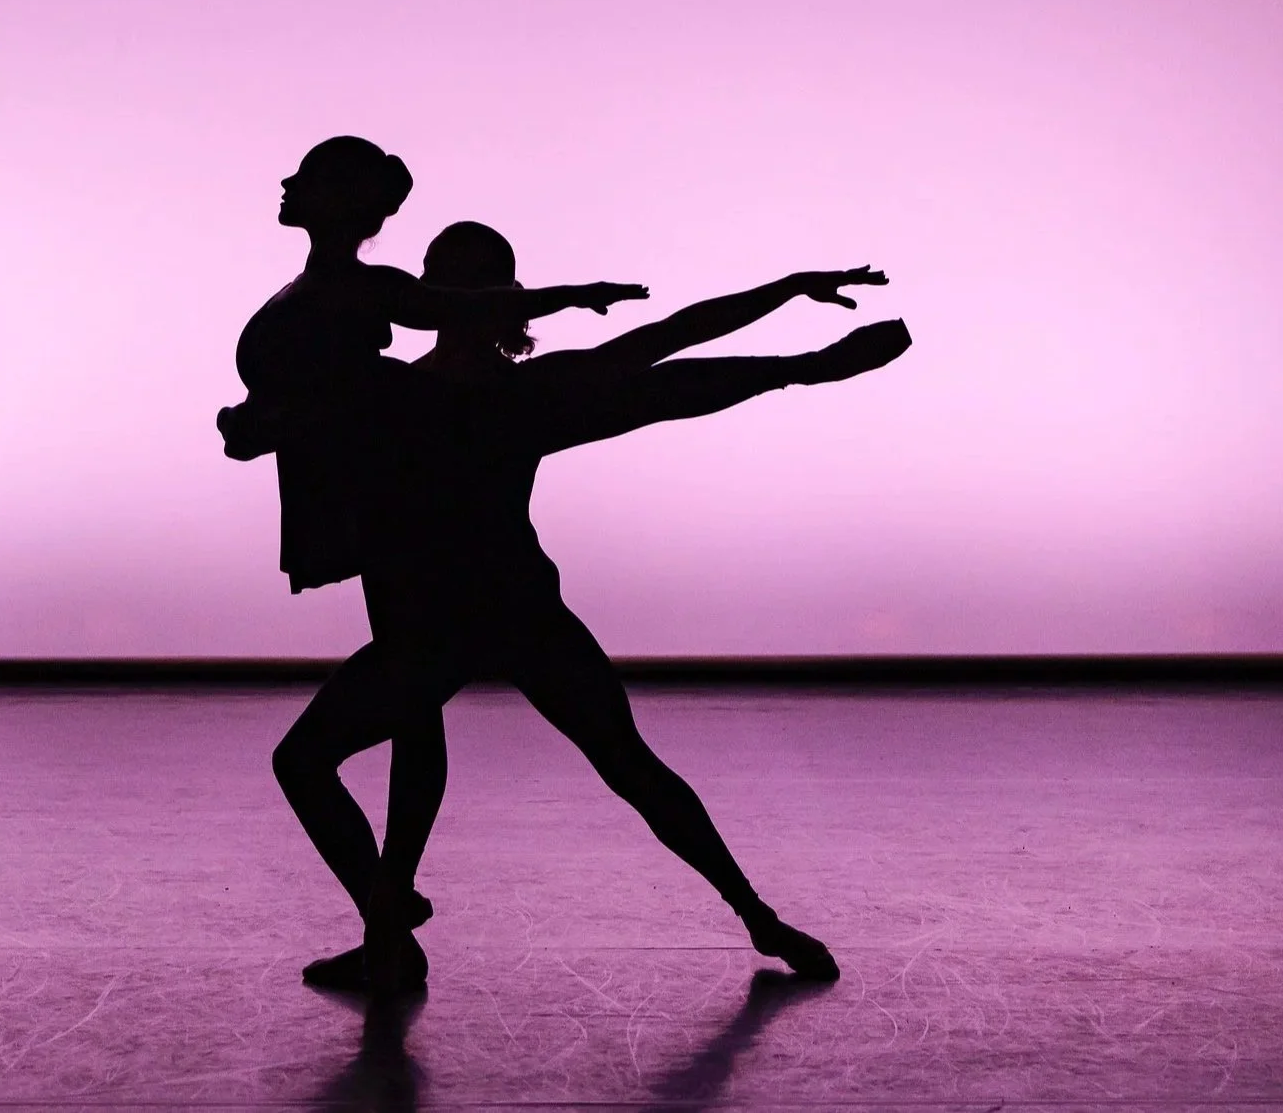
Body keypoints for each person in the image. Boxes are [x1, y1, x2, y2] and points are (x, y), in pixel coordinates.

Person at [249, 221, 912, 994]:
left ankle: (757, 917)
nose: (456, 295)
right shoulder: (395, 392)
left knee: (629, 765)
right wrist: (256, 426)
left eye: (472, 281)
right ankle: (386, 927)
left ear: (501, 299)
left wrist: (800, 342)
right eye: (444, 278)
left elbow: (670, 355)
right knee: (321, 759)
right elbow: (288, 422)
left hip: (509, 618)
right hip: (440, 625)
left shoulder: (510, 394)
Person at [221, 136, 646, 593]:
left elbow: (469, 308)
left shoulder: (368, 290)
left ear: (341, 198)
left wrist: (576, 295)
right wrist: (255, 420)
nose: (288, 183)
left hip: (390, 513)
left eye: (308, 177)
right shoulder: (307, 290)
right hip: (361, 511)